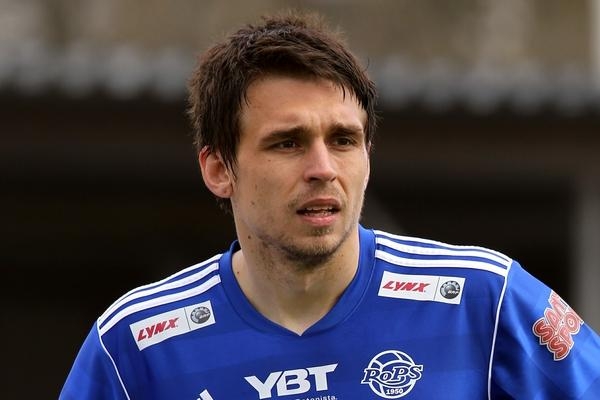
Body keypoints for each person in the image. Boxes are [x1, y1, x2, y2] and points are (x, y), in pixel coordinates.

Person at [60, 10, 600, 400]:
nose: (323, 168)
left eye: (343, 140)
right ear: (219, 169)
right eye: (287, 143)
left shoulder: (485, 300)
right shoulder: (135, 346)